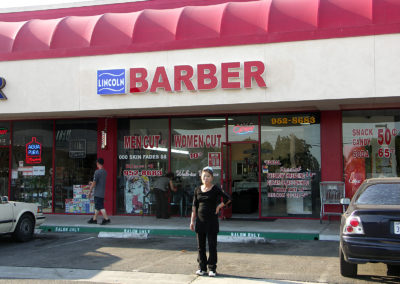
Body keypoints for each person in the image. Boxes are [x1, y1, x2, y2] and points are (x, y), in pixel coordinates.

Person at [190, 166, 231, 277]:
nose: (206, 178)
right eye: (204, 176)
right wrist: (192, 221)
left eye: (208, 176)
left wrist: (219, 207)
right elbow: (194, 206)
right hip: (200, 221)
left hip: (212, 221)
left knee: (212, 245)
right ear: (201, 177)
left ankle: (212, 268)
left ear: (212, 177)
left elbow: (228, 199)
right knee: (200, 247)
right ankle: (202, 268)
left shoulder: (215, 188)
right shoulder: (197, 189)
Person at [88, 158, 111, 225]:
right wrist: (92, 182)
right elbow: (99, 182)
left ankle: (106, 219)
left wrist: (90, 191)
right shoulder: (105, 172)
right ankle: (94, 219)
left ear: (97, 163)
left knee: (100, 206)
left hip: (98, 192)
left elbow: (95, 183)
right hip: (102, 191)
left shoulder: (97, 172)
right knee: (97, 207)